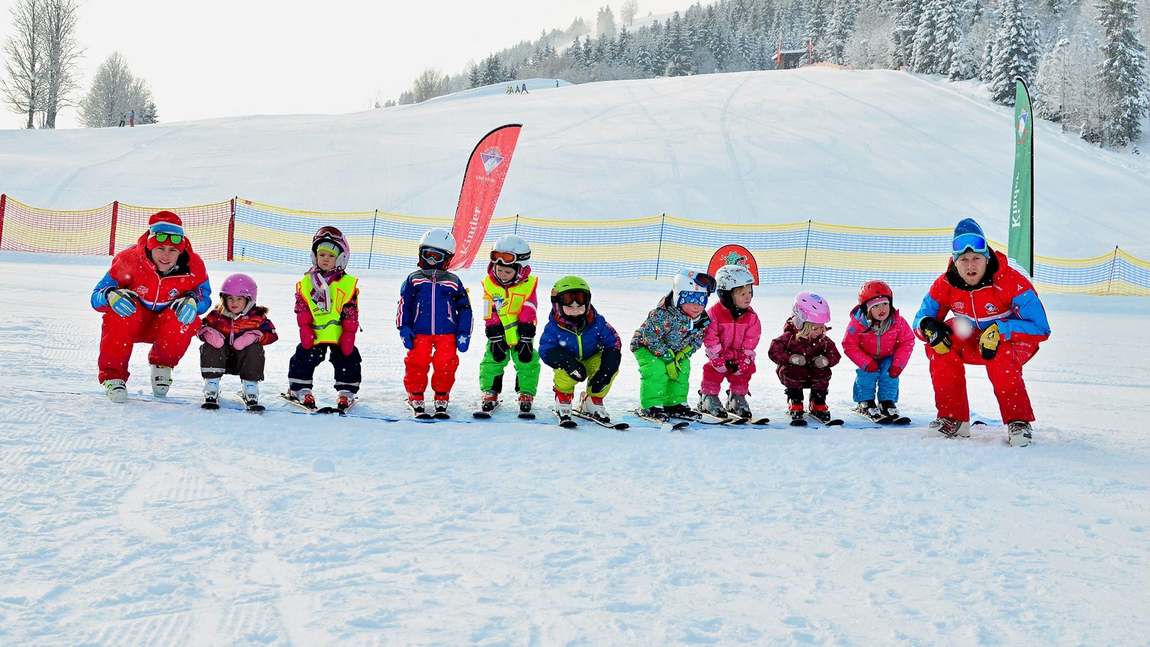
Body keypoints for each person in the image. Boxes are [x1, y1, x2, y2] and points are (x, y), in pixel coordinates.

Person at [913, 218, 1051, 446]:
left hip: (1012, 342)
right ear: (955, 262)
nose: (971, 266)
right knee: (940, 340)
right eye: (964, 260)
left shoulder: (1011, 281)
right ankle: (954, 419)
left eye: (976, 258)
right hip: (973, 341)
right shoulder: (945, 284)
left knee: (1001, 353)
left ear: (987, 258)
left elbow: (1041, 327)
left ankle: (1018, 421)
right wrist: (927, 326)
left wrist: (1002, 330)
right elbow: (920, 319)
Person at [91, 211, 211, 402]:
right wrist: (109, 295)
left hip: (165, 326)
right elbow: (96, 296)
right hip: (132, 321)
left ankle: (162, 365)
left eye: (173, 250)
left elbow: (205, 297)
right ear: (150, 245)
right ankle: (113, 376)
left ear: (180, 250)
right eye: (160, 248)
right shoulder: (128, 260)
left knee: (188, 316)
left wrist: (194, 301)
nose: (166, 255)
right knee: (118, 311)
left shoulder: (193, 265)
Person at [397, 228, 473, 416]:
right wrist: (404, 327)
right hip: (419, 332)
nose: (431, 261)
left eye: (436, 257)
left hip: (447, 333)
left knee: (446, 364)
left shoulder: (453, 281)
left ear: (446, 259)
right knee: (416, 362)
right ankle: (415, 394)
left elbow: (465, 308)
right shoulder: (414, 279)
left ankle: (441, 395)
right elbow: (404, 304)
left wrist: (463, 333)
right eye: (427, 255)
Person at [286, 227, 361, 411]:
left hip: (339, 333)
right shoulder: (307, 282)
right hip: (314, 332)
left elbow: (351, 309)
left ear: (341, 258)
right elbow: (301, 306)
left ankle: (346, 391)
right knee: (304, 357)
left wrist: (349, 332)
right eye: (321, 254)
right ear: (314, 256)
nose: (325, 259)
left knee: (348, 359)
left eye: (331, 255)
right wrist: (304, 328)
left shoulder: (346, 283)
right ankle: (300, 388)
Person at [631, 269, 716, 420]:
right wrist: (666, 356)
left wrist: (684, 352)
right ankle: (651, 405)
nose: (697, 306)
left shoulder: (701, 319)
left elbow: (698, 339)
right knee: (657, 369)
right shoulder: (663, 314)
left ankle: (674, 404)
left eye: (701, 300)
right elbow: (650, 337)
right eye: (691, 299)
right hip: (646, 346)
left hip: (675, 351)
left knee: (683, 368)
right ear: (678, 298)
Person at [539, 276, 622, 424]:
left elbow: (613, 341)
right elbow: (546, 349)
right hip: (569, 360)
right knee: (565, 374)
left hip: (591, 358)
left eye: (579, 307)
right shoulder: (554, 327)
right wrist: (566, 361)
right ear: (557, 305)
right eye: (570, 307)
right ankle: (563, 398)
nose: (575, 311)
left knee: (607, 372)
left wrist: (609, 364)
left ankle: (593, 400)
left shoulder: (597, 322)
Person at [478, 235, 540, 416]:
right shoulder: (489, 284)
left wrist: (526, 334)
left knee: (527, 362)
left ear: (519, 270)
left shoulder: (528, 285)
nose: (502, 275)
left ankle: (526, 393)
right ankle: (490, 391)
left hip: (521, 332)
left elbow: (529, 306)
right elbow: (487, 307)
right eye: (499, 270)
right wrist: (493, 331)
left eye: (507, 272)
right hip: (498, 333)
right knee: (492, 361)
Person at [197, 273, 278, 409]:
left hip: (244, 361)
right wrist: (207, 333)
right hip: (220, 359)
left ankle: (250, 388)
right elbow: (200, 327)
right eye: (230, 298)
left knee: (254, 349)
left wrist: (256, 335)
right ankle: (211, 386)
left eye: (239, 299)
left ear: (249, 299)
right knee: (211, 346)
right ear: (224, 298)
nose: (234, 303)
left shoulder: (257, 317)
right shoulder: (217, 315)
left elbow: (272, 334)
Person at [841, 280, 914, 422]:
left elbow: (907, 341)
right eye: (875, 306)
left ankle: (887, 402)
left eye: (885, 304)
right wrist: (865, 362)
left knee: (890, 374)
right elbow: (849, 345)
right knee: (867, 375)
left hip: (888, 356)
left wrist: (898, 364)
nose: (882, 309)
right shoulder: (857, 324)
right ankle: (865, 401)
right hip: (866, 357)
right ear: (866, 309)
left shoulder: (898, 322)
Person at [697, 264, 762, 420]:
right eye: (742, 294)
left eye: (750, 292)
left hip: (738, 355)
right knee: (712, 372)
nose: (748, 297)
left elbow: (751, 339)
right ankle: (708, 397)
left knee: (744, 371)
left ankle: (736, 397)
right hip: (720, 355)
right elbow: (710, 337)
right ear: (726, 294)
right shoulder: (714, 314)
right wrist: (716, 357)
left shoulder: (751, 317)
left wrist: (745, 357)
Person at [767, 292, 841, 424]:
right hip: (793, 374)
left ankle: (818, 402)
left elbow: (835, 354)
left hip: (814, 374)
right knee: (794, 371)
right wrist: (790, 358)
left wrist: (826, 361)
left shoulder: (823, 340)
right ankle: (795, 401)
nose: (819, 331)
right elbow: (774, 351)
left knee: (822, 372)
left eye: (821, 327)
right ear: (801, 324)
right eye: (815, 328)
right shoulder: (790, 337)